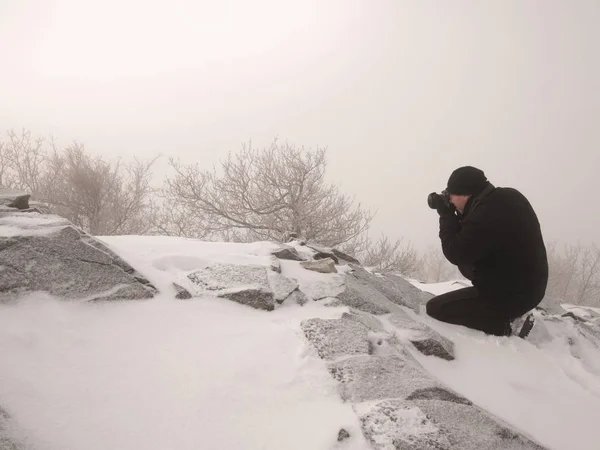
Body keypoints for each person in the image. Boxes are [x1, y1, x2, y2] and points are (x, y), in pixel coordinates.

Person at [426, 166, 548, 336]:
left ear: (465, 194)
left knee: (436, 308)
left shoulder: (484, 215)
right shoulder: (508, 196)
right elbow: (478, 236)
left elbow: (455, 252)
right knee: (468, 265)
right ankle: (506, 308)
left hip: (515, 295)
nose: (451, 201)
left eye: (451, 195)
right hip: (531, 285)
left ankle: (506, 325)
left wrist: (446, 215)